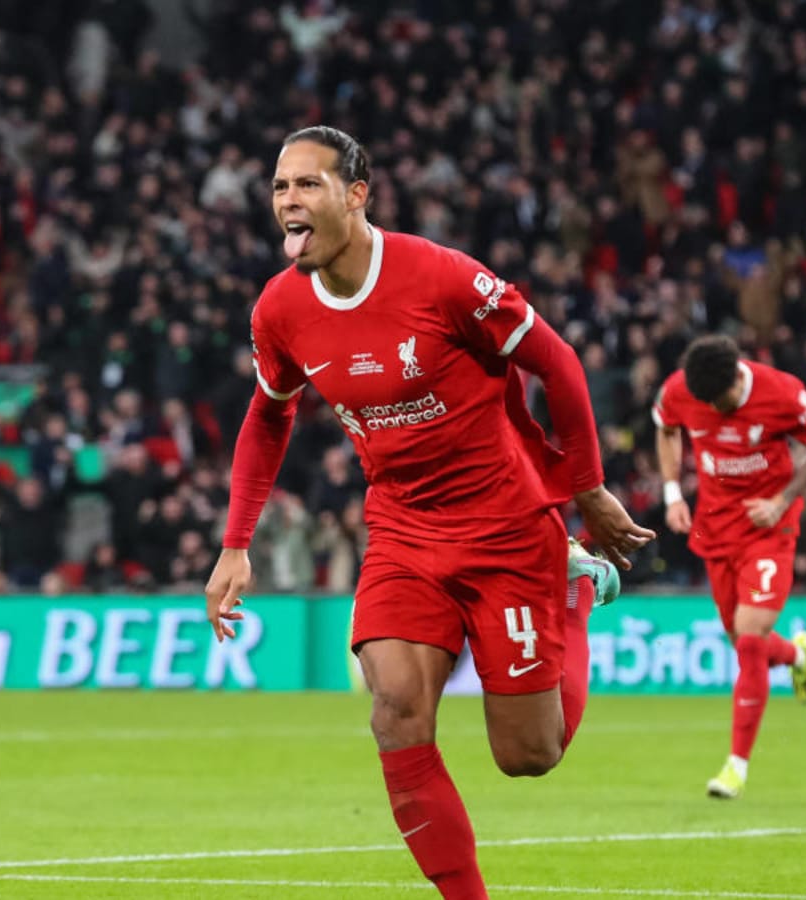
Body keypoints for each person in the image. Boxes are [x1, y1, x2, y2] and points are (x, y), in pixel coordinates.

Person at [203, 126, 651, 899]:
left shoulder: (443, 280)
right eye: (279, 187)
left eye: (307, 184)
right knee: (395, 712)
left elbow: (557, 363)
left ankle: (575, 592)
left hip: (506, 522)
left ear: (356, 194)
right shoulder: (280, 309)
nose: (288, 201)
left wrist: (586, 488)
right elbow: (269, 414)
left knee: (527, 755)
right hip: (405, 529)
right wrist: (235, 542)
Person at [653, 335, 806, 799]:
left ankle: (736, 766)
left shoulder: (782, 393)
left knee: (749, 640)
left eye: (722, 399)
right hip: (716, 528)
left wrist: (782, 500)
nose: (715, 407)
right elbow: (665, 426)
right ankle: (796, 654)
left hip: (769, 527)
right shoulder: (680, 389)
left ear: (738, 376)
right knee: (741, 641)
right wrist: (673, 492)